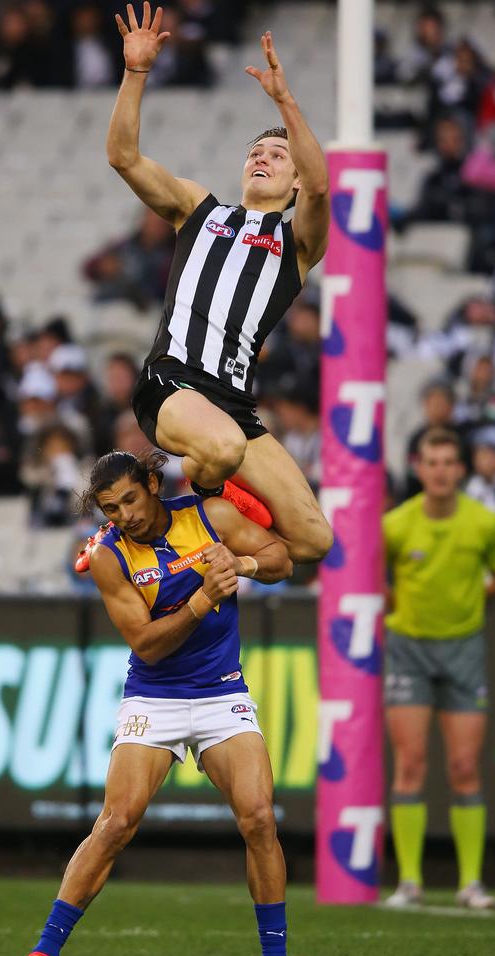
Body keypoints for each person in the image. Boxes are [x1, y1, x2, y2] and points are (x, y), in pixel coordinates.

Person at [3, 449, 312, 956]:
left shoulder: (210, 517)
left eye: (129, 499)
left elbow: (283, 559)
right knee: (116, 823)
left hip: (221, 693)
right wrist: (201, 599)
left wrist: (241, 565)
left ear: (151, 483)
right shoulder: (107, 556)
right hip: (155, 698)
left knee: (260, 818)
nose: (124, 515)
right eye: (110, 509)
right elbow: (146, 646)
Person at [100, 4, 332, 570]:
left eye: (278, 155)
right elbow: (122, 157)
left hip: (233, 404)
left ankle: (213, 545)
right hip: (172, 382)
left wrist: (285, 101)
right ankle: (185, 512)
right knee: (222, 448)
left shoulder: (297, 240)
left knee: (313, 542)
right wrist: (135, 74)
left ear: (295, 178)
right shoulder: (200, 211)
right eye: (255, 150)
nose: (262, 156)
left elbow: (323, 190)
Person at [383, 427, 495, 909]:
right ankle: (410, 881)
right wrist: (401, 608)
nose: (440, 471)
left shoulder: (484, 523)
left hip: (463, 648)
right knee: (410, 764)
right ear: (420, 468)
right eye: (431, 462)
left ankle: (471, 883)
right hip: (409, 649)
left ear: (461, 469)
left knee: (463, 766)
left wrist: (470, 606)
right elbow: (376, 573)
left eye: (448, 462)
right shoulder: (395, 524)